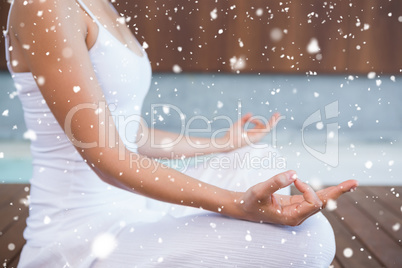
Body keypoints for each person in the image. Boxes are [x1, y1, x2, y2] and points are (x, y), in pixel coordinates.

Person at [4, 0, 357, 267]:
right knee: (309, 243)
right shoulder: (45, 7)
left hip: (137, 206)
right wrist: (236, 204)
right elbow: (107, 158)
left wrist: (221, 144)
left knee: (255, 157)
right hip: (83, 237)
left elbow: (131, 133)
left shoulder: (99, 4)